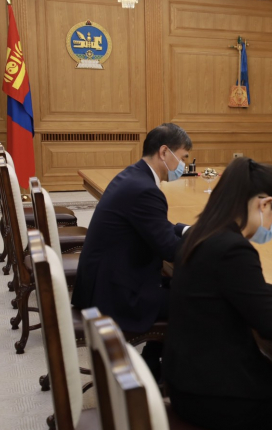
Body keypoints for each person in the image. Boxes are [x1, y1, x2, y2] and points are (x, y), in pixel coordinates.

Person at [164, 157, 272, 430]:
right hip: (218, 397)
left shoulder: (202, 233)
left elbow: (234, 290)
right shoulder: (234, 249)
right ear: (264, 204)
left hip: (186, 383)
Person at [72, 123, 193, 379]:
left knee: (182, 285)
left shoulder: (134, 175)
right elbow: (170, 250)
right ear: (164, 152)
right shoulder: (145, 189)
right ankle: (172, 371)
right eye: (183, 157)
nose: (183, 165)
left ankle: (153, 361)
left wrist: (186, 230)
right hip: (114, 294)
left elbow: (157, 227)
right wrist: (210, 246)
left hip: (106, 278)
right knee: (198, 298)